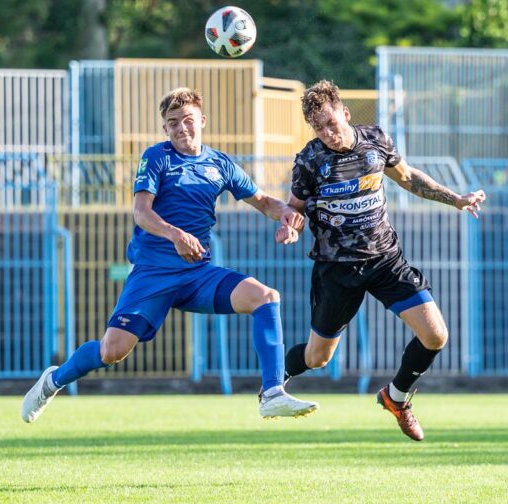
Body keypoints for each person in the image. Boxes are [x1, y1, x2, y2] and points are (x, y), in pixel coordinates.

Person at [22, 87, 318, 423]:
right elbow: (141, 212)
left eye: (187, 120)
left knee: (265, 297)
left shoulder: (219, 163)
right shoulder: (157, 157)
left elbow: (263, 201)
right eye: (173, 123)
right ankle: (53, 381)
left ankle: (273, 393)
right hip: (153, 274)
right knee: (111, 351)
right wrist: (175, 234)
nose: (181, 128)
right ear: (165, 128)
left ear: (202, 121)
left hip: (197, 274)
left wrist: (287, 216)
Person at [280, 80, 486, 441]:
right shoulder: (309, 160)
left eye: (331, 123)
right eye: (318, 128)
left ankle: (396, 397)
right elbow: (293, 209)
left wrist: (456, 199)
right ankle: (274, 376)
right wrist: (290, 226)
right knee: (317, 359)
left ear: (346, 113)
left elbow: (408, 178)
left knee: (435, 335)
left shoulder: (375, 140)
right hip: (337, 269)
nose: (327, 133)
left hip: (385, 260)